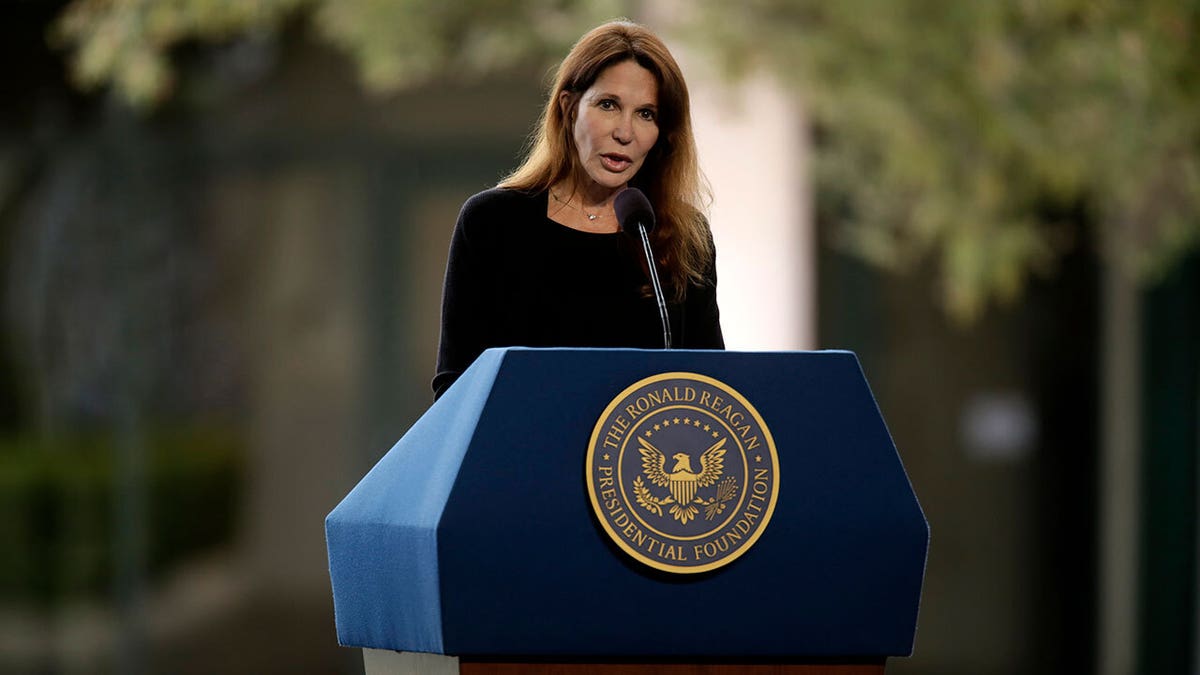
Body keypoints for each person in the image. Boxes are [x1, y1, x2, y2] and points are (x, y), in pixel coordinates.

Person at [432, 20, 724, 399]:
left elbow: (710, 390)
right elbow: (455, 388)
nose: (625, 132)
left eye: (646, 114)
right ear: (569, 107)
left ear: (663, 134)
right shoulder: (493, 224)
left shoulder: (684, 238)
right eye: (608, 105)